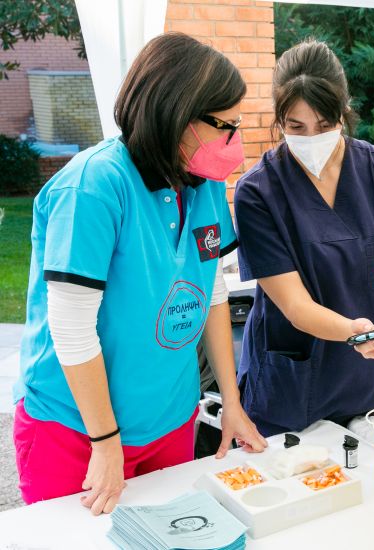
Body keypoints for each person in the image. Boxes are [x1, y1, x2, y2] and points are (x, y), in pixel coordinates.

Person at [13, 33, 267, 514]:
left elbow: (212, 288)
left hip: (169, 419)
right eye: (226, 126)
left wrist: (230, 402)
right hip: (76, 432)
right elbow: (70, 330)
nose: (235, 142)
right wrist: (106, 441)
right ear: (178, 115)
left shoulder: (204, 183)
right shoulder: (92, 187)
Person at [233, 40, 374, 437]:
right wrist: (354, 331)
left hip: (369, 379)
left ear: (344, 112)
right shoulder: (258, 192)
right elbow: (296, 306)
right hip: (291, 389)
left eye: (325, 125)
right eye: (296, 127)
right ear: (278, 120)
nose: (311, 138)